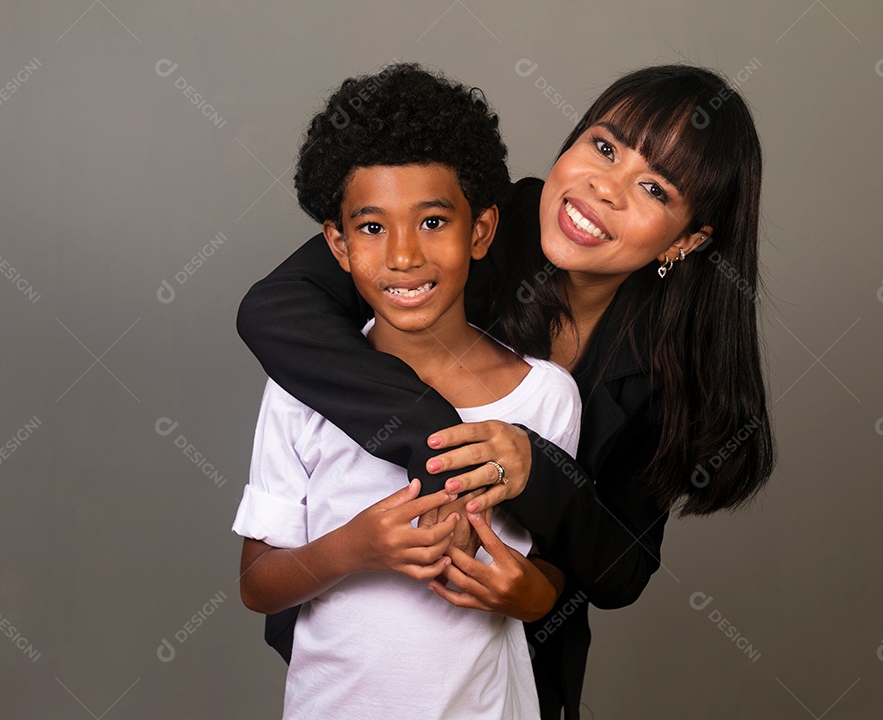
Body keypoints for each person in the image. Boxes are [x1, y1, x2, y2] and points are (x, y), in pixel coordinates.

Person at [237, 63, 776, 719]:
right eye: (603, 148)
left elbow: (619, 572)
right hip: (354, 660)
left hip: (504, 675)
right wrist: (444, 448)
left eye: (654, 189)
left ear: (688, 239)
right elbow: (275, 310)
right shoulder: (460, 220)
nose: (604, 190)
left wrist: (533, 469)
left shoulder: (664, 373)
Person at [232, 63, 583, 719]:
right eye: (371, 228)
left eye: (431, 222)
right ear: (336, 245)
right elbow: (258, 583)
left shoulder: (546, 397)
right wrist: (355, 548)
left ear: (479, 232)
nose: (402, 256)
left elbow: (556, 574)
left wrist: (523, 593)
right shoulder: (299, 388)